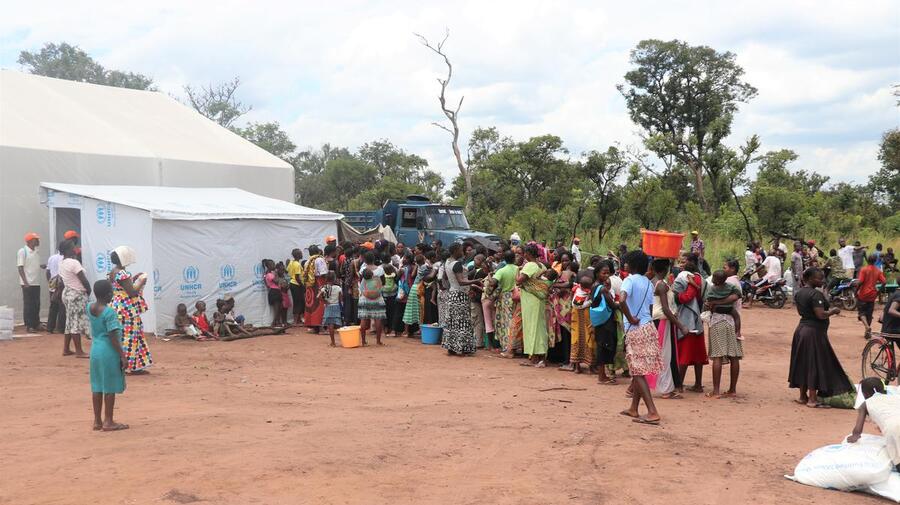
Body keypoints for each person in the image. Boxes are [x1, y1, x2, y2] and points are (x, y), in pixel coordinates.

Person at [788, 267, 852, 408]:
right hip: (813, 332)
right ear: (809, 279)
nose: (822, 280)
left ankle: (802, 396)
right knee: (813, 364)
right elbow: (821, 315)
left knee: (804, 363)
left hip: (802, 330)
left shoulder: (799, 293)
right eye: (818, 278)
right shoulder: (815, 295)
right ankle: (812, 399)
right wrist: (833, 311)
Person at [618, 251, 663, 425]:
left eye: (627, 262)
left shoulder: (629, 280)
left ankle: (652, 411)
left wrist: (629, 318)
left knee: (637, 371)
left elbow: (622, 300)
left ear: (632, 265)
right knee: (640, 370)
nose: (625, 265)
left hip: (635, 328)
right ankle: (633, 408)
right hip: (648, 326)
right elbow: (650, 308)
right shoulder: (648, 283)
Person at [88, 279, 128, 432]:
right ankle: (108, 421)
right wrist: (122, 356)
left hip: (95, 350)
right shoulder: (109, 312)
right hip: (108, 352)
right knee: (109, 386)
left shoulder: (89, 307)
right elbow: (113, 337)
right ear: (109, 295)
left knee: (97, 385)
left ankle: (97, 420)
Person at [109, 246, 151, 374]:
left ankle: (122, 364)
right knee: (131, 337)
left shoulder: (114, 271)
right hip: (127, 308)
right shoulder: (122, 273)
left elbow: (121, 287)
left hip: (117, 306)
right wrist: (142, 280)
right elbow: (132, 292)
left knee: (122, 336)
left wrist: (133, 280)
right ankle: (131, 366)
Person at [704, 270, 743, 399]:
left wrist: (715, 303)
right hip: (731, 320)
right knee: (734, 356)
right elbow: (737, 295)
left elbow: (708, 304)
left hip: (717, 321)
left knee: (717, 357)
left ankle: (716, 391)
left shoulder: (712, 289)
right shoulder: (731, 287)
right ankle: (733, 389)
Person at [651, 259, 686, 398]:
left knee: (663, 353)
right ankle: (666, 389)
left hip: (661, 320)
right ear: (665, 269)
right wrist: (681, 325)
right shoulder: (661, 285)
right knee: (664, 354)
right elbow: (665, 309)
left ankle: (666, 386)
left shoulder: (656, 282)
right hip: (663, 321)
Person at [673, 254, 708, 393]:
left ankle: (679, 385)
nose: (681, 264)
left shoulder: (693, 278)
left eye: (684, 261)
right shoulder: (698, 278)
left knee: (685, 353)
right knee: (698, 353)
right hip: (696, 320)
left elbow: (687, 297)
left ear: (691, 263)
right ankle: (698, 384)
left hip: (689, 319)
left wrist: (673, 295)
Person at [847, 378, 900, 466]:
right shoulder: (895, 396)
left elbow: (858, 429)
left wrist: (855, 435)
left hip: (892, 428)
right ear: (884, 389)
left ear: (864, 394)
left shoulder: (865, 404)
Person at [442, 243, 479, 355]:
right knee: (462, 321)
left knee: (453, 321)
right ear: (455, 251)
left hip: (452, 294)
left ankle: (452, 347)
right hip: (459, 295)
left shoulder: (448, 263)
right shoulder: (457, 264)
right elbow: (461, 281)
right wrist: (475, 281)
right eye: (461, 250)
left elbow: (445, 278)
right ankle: (462, 347)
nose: (462, 253)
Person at [517, 244, 550, 367]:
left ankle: (536, 357)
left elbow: (519, 280)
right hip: (538, 300)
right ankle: (537, 357)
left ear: (528, 254)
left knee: (533, 327)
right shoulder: (541, 265)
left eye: (524, 253)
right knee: (538, 327)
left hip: (531, 300)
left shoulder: (530, 265)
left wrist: (517, 270)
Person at [59, 240, 92, 357]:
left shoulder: (62, 262)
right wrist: (89, 290)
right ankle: (79, 351)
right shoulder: (74, 263)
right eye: (73, 247)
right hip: (76, 294)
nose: (75, 248)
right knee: (75, 322)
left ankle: (66, 349)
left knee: (70, 321)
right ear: (67, 250)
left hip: (67, 293)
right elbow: (83, 279)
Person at [492, 250, 520, 358]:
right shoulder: (518, 269)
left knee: (506, 323)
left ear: (504, 259)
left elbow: (493, 282)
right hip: (518, 296)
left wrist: (490, 277)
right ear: (514, 259)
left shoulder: (502, 270)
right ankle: (517, 346)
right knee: (516, 321)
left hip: (506, 297)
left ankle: (508, 348)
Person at [548, 257, 575, 366]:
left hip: (567, 308)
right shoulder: (559, 274)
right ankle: (561, 358)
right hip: (559, 308)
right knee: (561, 332)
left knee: (567, 333)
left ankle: (568, 359)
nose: (564, 263)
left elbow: (569, 285)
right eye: (563, 261)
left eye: (567, 260)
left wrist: (554, 285)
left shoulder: (572, 274)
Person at [567, 271, 595, 374]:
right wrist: (590, 302)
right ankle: (577, 366)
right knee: (579, 339)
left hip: (583, 320)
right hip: (579, 320)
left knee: (588, 339)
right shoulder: (579, 293)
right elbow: (577, 305)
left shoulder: (581, 290)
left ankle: (589, 365)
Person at [17, 232, 45, 333]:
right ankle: (29, 325)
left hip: (36, 282)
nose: (38, 241)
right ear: (29, 241)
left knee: (36, 304)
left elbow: (32, 264)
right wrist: (25, 282)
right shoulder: (23, 251)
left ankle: (36, 323)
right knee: (29, 304)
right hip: (27, 283)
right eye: (36, 239)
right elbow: (20, 268)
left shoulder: (36, 251)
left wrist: (41, 266)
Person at [358, 251, 386, 346]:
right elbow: (384, 282)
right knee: (378, 318)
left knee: (363, 319)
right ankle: (378, 341)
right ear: (374, 259)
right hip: (377, 297)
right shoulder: (380, 270)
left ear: (365, 260)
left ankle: (363, 341)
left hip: (365, 296)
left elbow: (361, 281)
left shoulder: (363, 269)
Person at [705, 270, 742, 340]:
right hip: (729, 308)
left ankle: (712, 323)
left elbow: (709, 299)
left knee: (711, 314)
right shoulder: (730, 286)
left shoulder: (712, 288)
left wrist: (711, 303)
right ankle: (738, 332)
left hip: (717, 308)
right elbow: (738, 293)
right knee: (737, 317)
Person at [856, 254, 886, 339]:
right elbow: (884, 282)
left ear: (867, 260)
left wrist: (856, 291)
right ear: (875, 261)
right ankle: (867, 333)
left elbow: (860, 282)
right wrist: (878, 292)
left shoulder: (864, 269)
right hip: (873, 295)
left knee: (861, 312)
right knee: (869, 314)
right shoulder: (877, 270)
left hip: (863, 294)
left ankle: (866, 326)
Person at [304, 245, 331, 332]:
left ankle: (314, 326)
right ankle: (321, 326)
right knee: (321, 303)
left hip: (310, 285)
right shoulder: (319, 259)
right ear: (318, 251)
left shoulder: (308, 261)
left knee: (312, 305)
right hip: (320, 282)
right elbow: (324, 273)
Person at [319, 271, 343, 346]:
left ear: (326, 279)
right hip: (336, 306)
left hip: (328, 307)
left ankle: (333, 342)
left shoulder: (324, 288)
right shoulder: (338, 288)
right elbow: (340, 298)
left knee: (330, 325)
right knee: (337, 323)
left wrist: (325, 301)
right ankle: (343, 339)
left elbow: (319, 297)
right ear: (335, 279)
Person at [46, 241, 65, 334]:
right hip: (61, 286)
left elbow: (47, 272)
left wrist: (50, 283)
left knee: (53, 307)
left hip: (53, 285)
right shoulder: (64, 259)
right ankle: (61, 328)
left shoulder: (51, 258)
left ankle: (50, 327)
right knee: (62, 307)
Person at [287, 249, 305, 325]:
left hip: (293, 283)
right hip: (297, 284)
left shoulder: (291, 262)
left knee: (299, 302)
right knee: (298, 302)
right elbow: (297, 277)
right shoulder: (297, 264)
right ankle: (295, 321)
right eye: (300, 253)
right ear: (297, 255)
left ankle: (298, 320)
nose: (302, 254)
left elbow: (287, 270)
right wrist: (302, 285)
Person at [263, 259, 282, 327]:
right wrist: (276, 273)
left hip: (275, 291)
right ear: (268, 266)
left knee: (279, 308)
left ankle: (277, 322)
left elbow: (267, 284)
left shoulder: (267, 274)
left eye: (274, 264)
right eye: (272, 264)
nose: (274, 265)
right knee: (277, 308)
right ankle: (274, 323)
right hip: (274, 291)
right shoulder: (270, 274)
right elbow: (276, 281)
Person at [382, 264, 399, 337]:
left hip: (385, 295)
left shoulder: (383, 276)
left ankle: (385, 328)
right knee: (393, 313)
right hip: (393, 295)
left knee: (385, 312)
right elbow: (396, 282)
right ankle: (392, 329)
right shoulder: (394, 275)